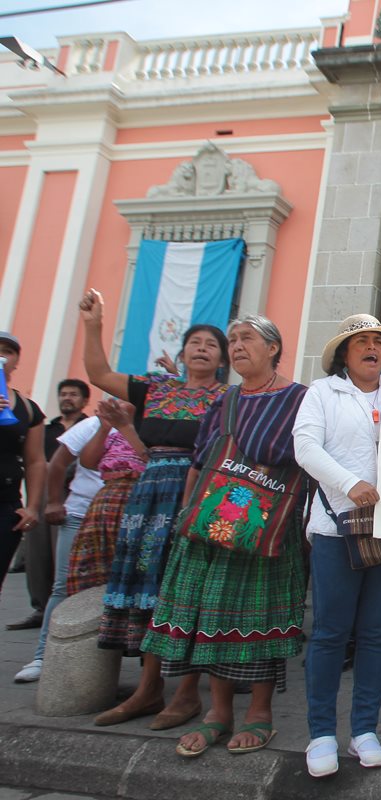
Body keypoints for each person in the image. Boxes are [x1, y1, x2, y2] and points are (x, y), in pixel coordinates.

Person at [141, 315, 308, 758]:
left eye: (246, 339)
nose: (236, 346)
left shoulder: (300, 399)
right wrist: (187, 514)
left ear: (274, 348)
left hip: (265, 523)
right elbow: (201, 458)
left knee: (259, 618)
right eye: (232, 340)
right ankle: (218, 713)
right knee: (209, 615)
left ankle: (259, 713)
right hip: (210, 522)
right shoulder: (226, 400)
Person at [79, 289, 228, 730]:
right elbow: (98, 372)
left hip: (198, 494)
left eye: (211, 344)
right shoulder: (153, 388)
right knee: (150, 591)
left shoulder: (227, 399)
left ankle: (186, 694)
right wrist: (93, 324)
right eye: (195, 342)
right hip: (148, 495)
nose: (202, 348)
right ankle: (148, 689)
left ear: (222, 359)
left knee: (188, 593)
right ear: (181, 353)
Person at [293, 314, 381, 777]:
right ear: (344, 354)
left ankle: (365, 730)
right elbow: (306, 449)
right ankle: (321, 733)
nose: (371, 348)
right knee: (329, 633)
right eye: (360, 341)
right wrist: (350, 482)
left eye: (377, 342)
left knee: (378, 634)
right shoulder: (321, 394)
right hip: (334, 529)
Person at [14, 397, 145, 683]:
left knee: (136, 590)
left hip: (134, 515)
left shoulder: (152, 428)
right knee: (65, 586)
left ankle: (139, 669)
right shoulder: (93, 424)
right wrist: (53, 503)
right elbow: (64, 463)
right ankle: (42, 657)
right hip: (82, 511)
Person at [11, 379, 91, 632]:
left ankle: (62, 608)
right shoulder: (46, 429)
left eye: (74, 394)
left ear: (85, 400)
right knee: (38, 550)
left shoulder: (88, 427)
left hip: (71, 493)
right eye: (64, 394)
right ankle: (39, 607)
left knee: (62, 552)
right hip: (42, 490)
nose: (67, 398)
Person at [66, 400, 148, 598]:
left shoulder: (152, 431)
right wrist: (104, 428)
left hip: (140, 497)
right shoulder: (112, 434)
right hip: (107, 498)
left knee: (132, 564)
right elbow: (88, 461)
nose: (119, 404)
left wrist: (126, 427)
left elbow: (149, 458)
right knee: (93, 563)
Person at [0, 331, 46, 611]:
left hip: (5, 504)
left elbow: (35, 461)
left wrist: (32, 507)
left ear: (16, 361)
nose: (2, 355)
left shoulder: (28, 409)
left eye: (9, 351)